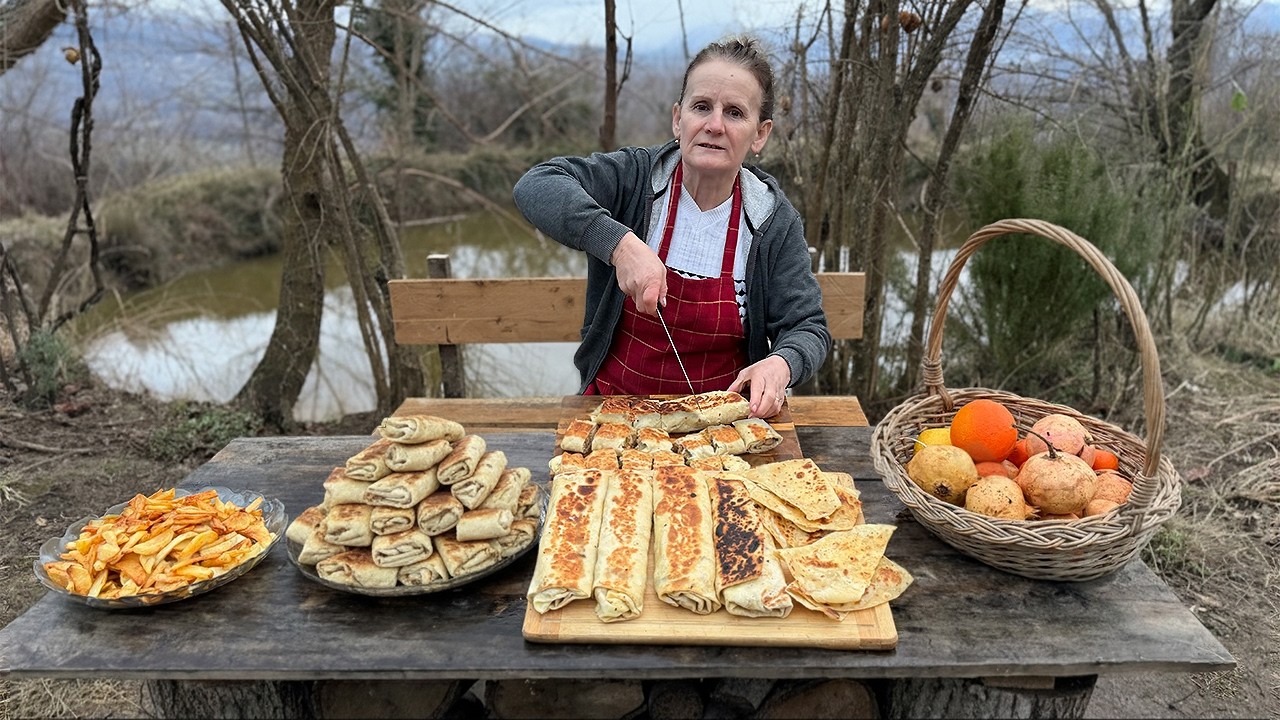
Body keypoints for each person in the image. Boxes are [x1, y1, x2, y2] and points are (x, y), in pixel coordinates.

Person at [512, 36, 830, 419]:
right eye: (701, 107)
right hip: (613, 415)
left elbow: (808, 327)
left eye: (734, 113)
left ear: (759, 134)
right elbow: (537, 184)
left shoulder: (774, 222)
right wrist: (620, 245)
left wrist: (782, 364)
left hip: (723, 429)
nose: (714, 125)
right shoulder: (633, 178)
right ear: (679, 119)